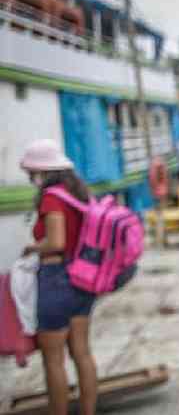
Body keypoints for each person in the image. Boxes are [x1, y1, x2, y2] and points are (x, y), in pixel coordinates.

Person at [20, 139, 98, 415]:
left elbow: (56, 242)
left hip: (56, 278)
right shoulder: (77, 192)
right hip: (83, 278)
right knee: (82, 352)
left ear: (41, 170)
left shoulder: (52, 196)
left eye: (31, 172)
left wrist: (30, 247)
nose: (31, 178)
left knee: (53, 360)